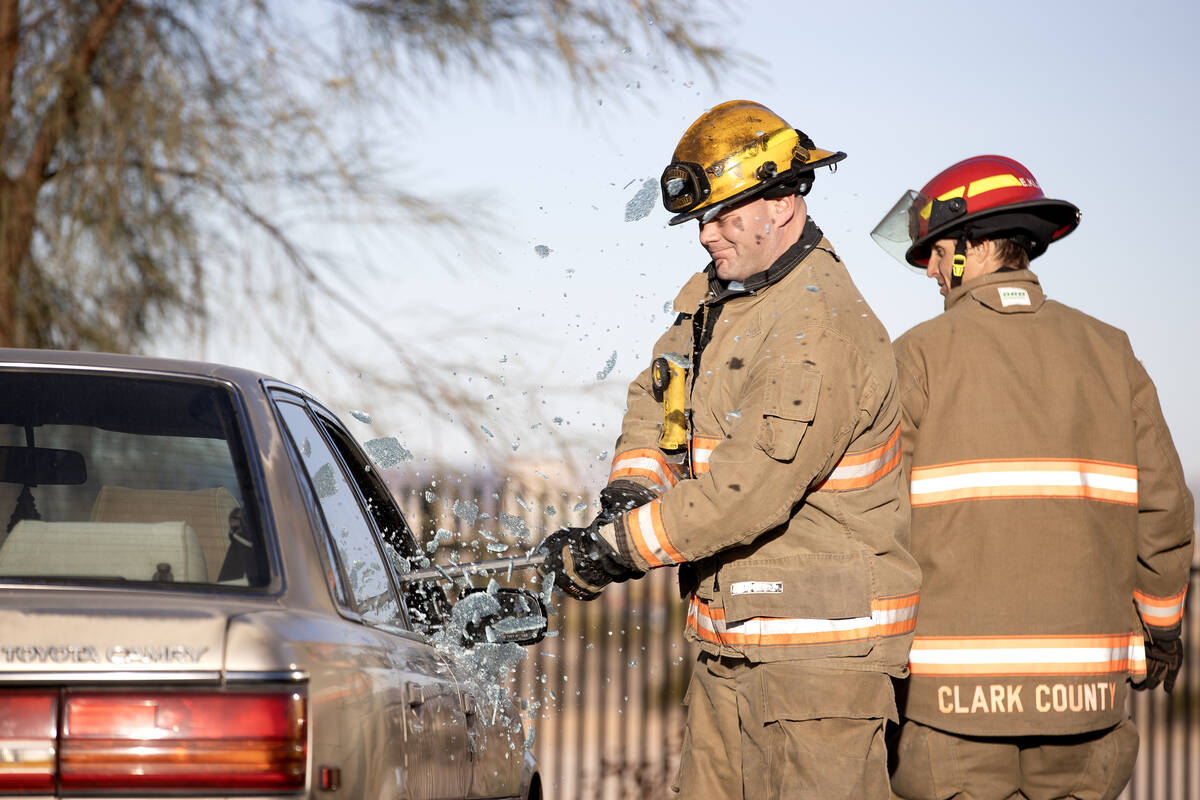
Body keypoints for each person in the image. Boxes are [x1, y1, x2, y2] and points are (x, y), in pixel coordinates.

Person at [537, 100, 921, 799]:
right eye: (700, 219)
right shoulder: (718, 299)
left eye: (723, 214)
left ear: (782, 200)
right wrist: (632, 488)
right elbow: (657, 394)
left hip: (819, 669)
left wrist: (615, 548)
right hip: (730, 647)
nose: (706, 234)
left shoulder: (820, 325)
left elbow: (749, 489)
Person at [871, 154, 1194, 799]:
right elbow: (1164, 507)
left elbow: (877, 516)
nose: (928, 270)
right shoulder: (1112, 350)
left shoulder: (915, 355)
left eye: (932, 252)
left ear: (971, 245)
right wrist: (1162, 626)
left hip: (946, 706)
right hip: (1086, 698)